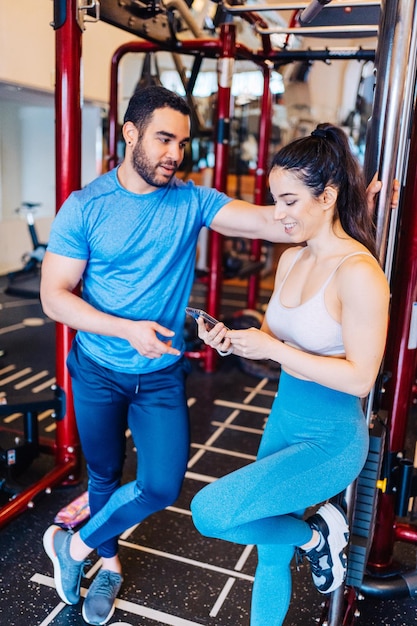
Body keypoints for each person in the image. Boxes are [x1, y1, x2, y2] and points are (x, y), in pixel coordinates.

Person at [40, 84, 386, 626]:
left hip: (158, 374)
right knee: (104, 477)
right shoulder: (85, 207)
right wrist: (126, 329)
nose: (174, 153)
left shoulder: (193, 199)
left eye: (182, 141)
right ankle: (104, 563)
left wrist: (348, 202)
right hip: (97, 367)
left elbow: (281, 219)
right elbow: (53, 296)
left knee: (160, 486)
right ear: (129, 134)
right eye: (162, 138)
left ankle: (76, 546)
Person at [190, 123, 390, 626]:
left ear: (327, 196)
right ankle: (312, 542)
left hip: (330, 440)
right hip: (283, 421)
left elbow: (361, 379)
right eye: (274, 201)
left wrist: (274, 348)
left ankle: (317, 536)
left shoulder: (360, 273)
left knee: (211, 512)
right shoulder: (291, 259)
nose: (277, 215)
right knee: (267, 554)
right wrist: (237, 338)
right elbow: (282, 334)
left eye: (288, 201)